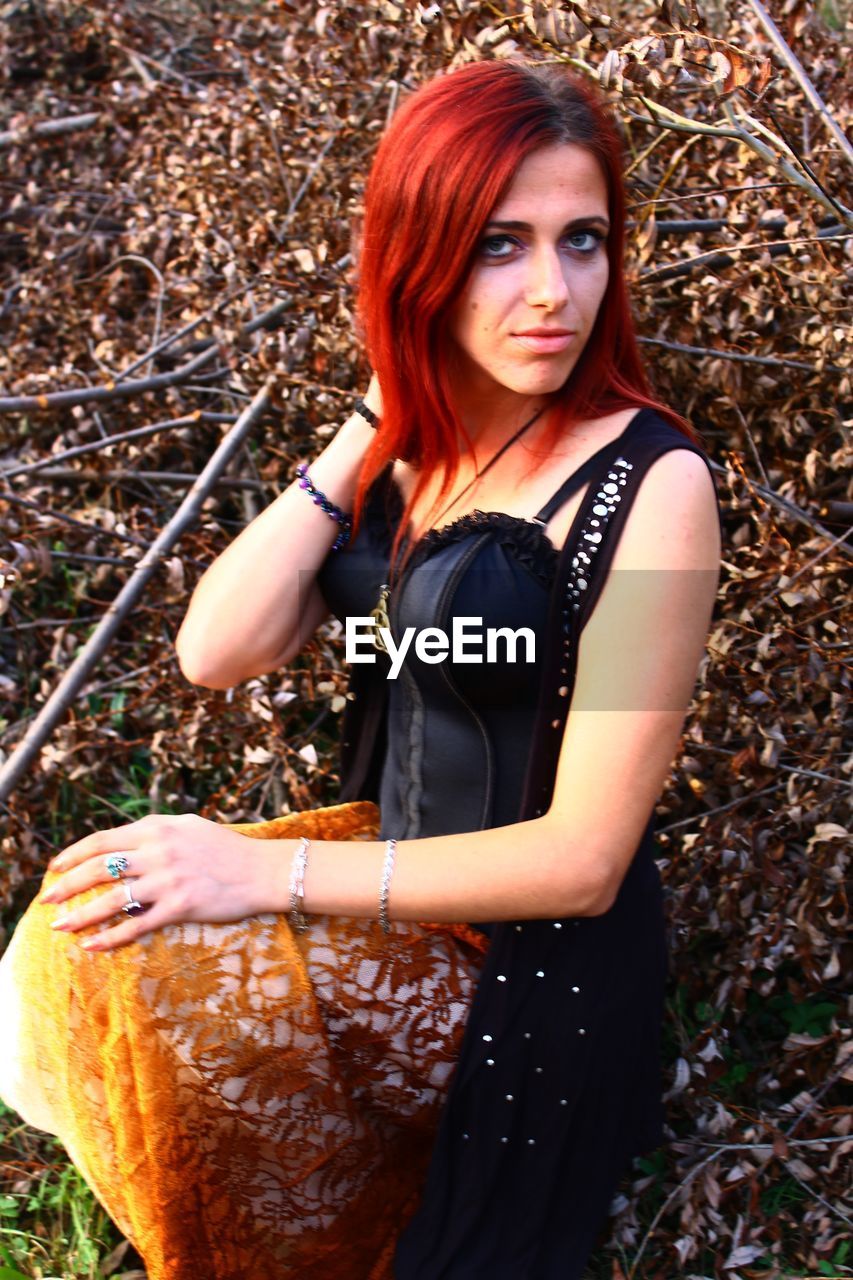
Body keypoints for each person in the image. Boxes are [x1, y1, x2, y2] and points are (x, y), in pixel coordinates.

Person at [0, 59, 722, 1279]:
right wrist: (373, 419)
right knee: (80, 939)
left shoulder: (656, 488)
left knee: (182, 967)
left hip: (531, 970)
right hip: (390, 905)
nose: (553, 290)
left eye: (582, 239)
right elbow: (212, 649)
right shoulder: (416, 456)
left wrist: (255, 870)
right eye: (499, 245)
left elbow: (587, 860)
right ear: (420, 260)